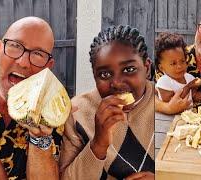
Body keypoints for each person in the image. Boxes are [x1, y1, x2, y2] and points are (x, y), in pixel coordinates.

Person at [59, 25, 154, 179]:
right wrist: (98, 144)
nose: (116, 82)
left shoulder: (165, 102)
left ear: (147, 68)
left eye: (129, 69)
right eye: (104, 74)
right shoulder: (77, 112)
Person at [0, 17, 62, 179]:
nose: (23, 62)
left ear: (48, 66)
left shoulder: (52, 114)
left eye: (38, 54)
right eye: (15, 46)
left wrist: (40, 138)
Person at [155, 32, 201, 111]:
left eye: (182, 61)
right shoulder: (164, 82)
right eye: (173, 63)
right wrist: (188, 87)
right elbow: (173, 103)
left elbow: (193, 96)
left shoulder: (189, 78)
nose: (179, 66)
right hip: (168, 119)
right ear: (161, 68)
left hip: (187, 117)